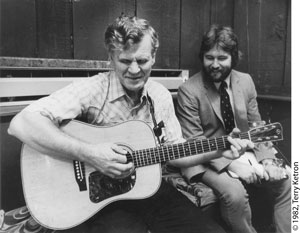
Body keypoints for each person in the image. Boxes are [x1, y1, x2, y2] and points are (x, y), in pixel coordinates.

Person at [8, 16, 253, 233]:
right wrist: (91, 154)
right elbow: (21, 123)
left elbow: (175, 153)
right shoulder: (94, 89)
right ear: (111, 58)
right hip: (102, 201)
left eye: (143, 60)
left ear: (154, 56)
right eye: (125, 61)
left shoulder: (160, 96)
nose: (134, 70)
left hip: (150, 189)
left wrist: (219, 150)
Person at [176, 24, 291, 233]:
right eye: (209, 57)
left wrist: (268, 160)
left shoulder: (245, 81)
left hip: (242, 151)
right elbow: (194, 144)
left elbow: (258, 127)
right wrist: (233, 166)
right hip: (203, 158)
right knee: (235, 194)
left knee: (288, 181)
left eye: (222, 58)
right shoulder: (188, 90)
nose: (215, 64)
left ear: (233, 58)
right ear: (202, 57)